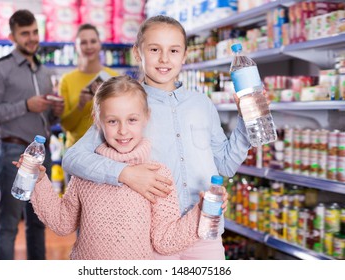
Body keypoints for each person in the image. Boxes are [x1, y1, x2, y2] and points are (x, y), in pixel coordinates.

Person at [62, 15, 251, 260]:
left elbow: (225, 164)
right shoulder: (126, 104)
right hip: (152, 235)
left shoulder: (202, 104)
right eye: (154, 49)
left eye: (173, 50)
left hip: (206, 228)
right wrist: (125, 174)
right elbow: (73, 158)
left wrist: (247, 121)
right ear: (138, 54)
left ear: (184, 55)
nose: (164, 59)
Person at [16, 75, 207, 259]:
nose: (123, 130)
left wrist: (202, 213)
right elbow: (62, 222)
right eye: (112, 121)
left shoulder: (157, 175)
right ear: (98, 120)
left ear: (146, 117)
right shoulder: (87, 171)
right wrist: (39, 181)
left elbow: (165, 240)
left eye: (132, 120)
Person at [0, 9, 64, 260]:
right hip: (14, 153)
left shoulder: (45, 72)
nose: (32, 38)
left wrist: (56, 112)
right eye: (25, 33)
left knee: (38, 222)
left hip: (41, 155)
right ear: (11, 36)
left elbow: (47, 119)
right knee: (9, 223)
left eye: (35, 32)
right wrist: (25, 105)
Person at [59, 23, 119, 150]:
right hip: (76, 150)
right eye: (83, 42)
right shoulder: (67, 80)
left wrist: (104, 100)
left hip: (108, 150)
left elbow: (121, 117)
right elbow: (66, 126)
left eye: (93, 41)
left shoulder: (113, 77)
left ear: (99, 44)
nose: (89, 46)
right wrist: (80, 105)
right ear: (76, 46)